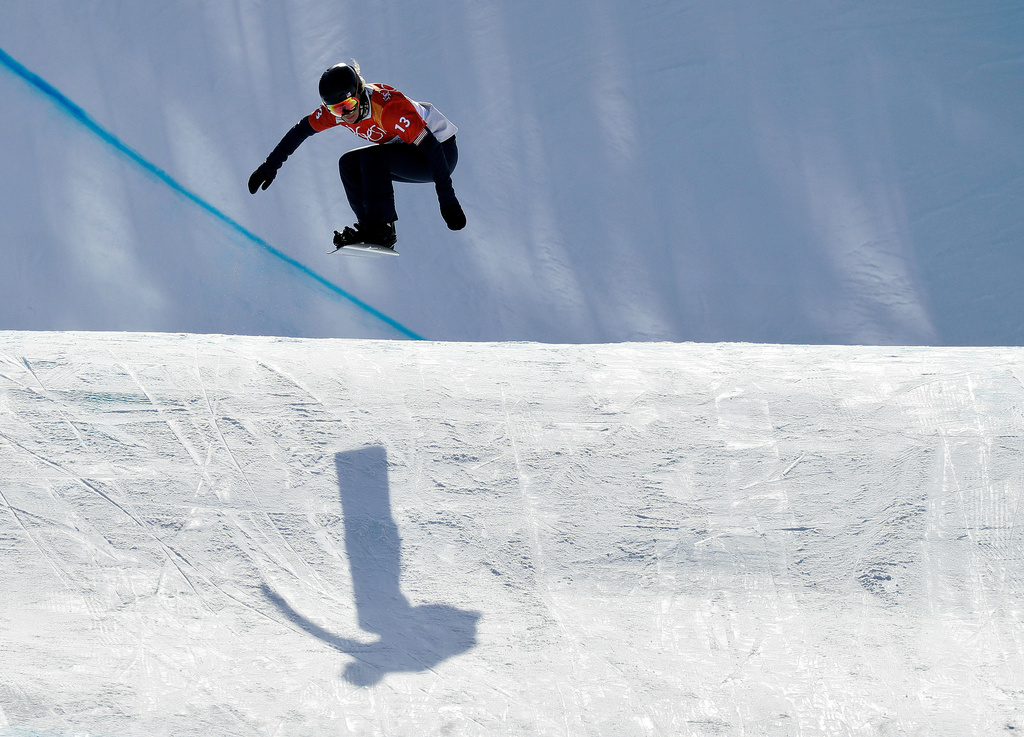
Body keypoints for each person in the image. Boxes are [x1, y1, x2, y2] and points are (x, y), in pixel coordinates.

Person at [248, 62, 465, 249]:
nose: (345, 114)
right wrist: (270, 166)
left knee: (373, 159)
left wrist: (448, 201)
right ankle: (370, 229)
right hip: (409, 150)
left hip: (440, 153)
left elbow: (432, 149)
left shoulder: (388, 109)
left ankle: (382, 231)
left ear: (360, 93)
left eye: (349, 105)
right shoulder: (338, 113)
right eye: (336, 110)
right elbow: (301, 131)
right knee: (349, 164)